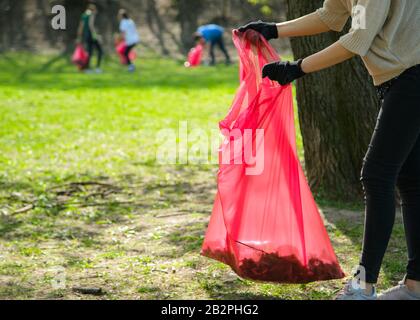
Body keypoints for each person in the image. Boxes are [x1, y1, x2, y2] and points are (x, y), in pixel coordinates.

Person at [239, 0, 420, 301]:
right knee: (411, 180)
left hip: (411, 77)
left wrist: (297, 68)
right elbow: (332, 15)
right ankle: (415, 286)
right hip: (401, 78)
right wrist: (274, 30)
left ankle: (364, 286)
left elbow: (356, 40)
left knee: (377, 175)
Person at [77, 3, 103, 73]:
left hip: (86, 36)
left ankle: (87, 69)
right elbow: (91, 25)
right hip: (92, 36)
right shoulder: (91, 14)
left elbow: (80, 27)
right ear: (93, 9)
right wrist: (96, 36)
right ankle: (97, 68)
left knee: (89, 52)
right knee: (100, 51)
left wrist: (79, 37)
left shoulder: (84, 15)